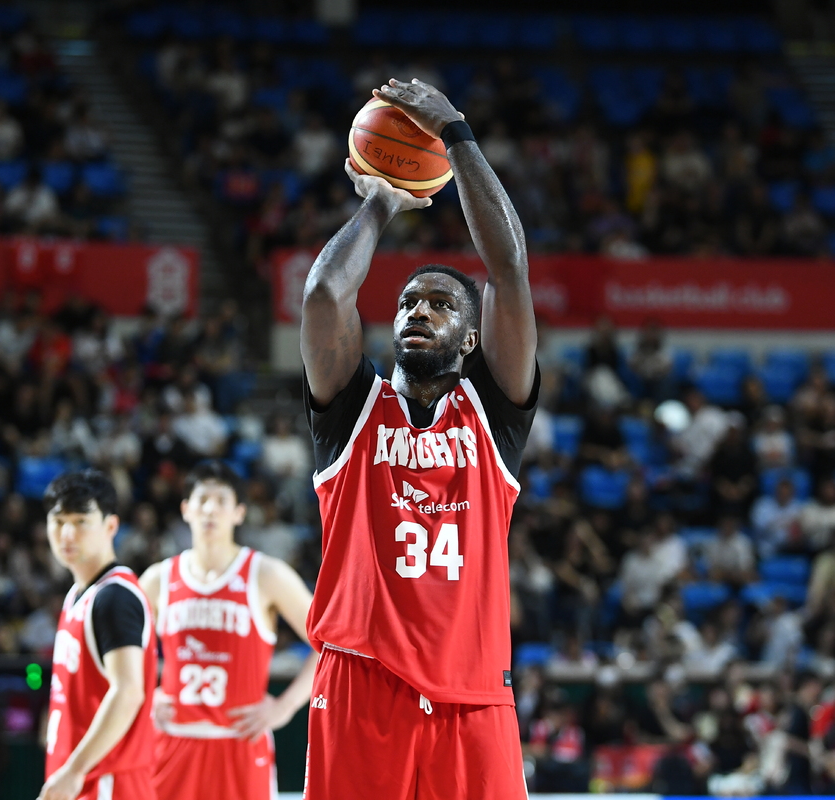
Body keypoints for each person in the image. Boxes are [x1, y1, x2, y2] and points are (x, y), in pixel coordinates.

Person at [299, 77, 537, 799]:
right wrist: (380, 201)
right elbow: (324, 295)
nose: (417, 312)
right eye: (406, 303)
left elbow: (509, 271)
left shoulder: (492, 415)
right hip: (360, 681)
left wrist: (455, 134)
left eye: (439, 303)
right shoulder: (352, 411)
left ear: (470, 339)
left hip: (474, 692)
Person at [137, 461, 318, 800]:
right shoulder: (158, 578)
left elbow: (329, 645)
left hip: (240, 741)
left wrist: (286, 706)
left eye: (221, 500)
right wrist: (145, 695)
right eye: (202, 499)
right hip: (172, 740)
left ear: (239, 513)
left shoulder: (267, 574)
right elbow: (117, 651)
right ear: (186, 509)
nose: (210, 509)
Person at [38, 470, 157, 800]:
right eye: (58, 522)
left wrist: (74, 770)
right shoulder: (78, 594)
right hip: (84, 778)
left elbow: (128, 691)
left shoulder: (114, 597)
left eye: (80, 521)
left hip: (108, 782)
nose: (67, 533)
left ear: (111, 526)